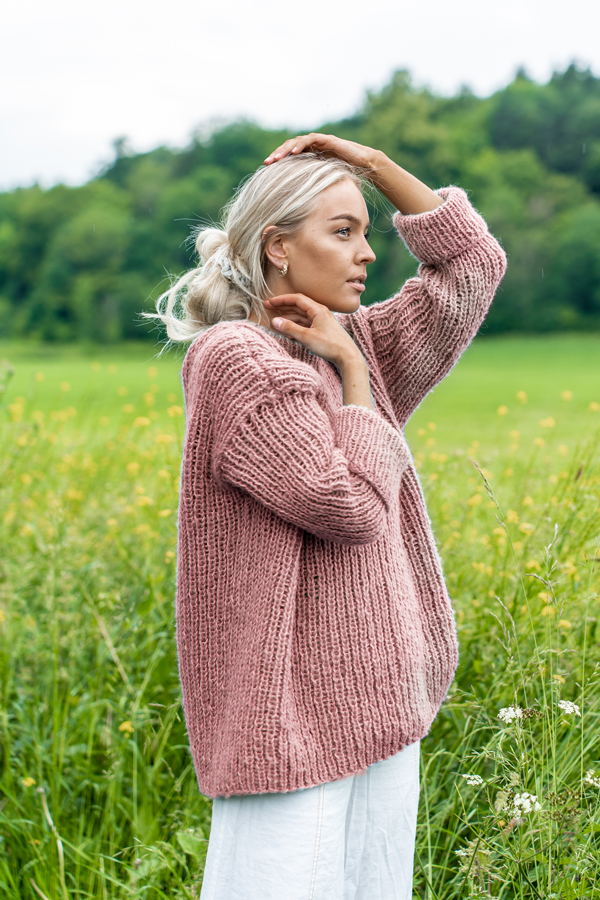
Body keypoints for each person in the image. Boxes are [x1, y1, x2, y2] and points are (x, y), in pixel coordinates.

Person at [153, 133, 507, 899]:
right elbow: (342, 504)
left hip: (383, 702)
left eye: (366, 231)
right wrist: (350, 374)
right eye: (341, 231)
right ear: (278, 248)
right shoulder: (236, 358)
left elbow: (473, 266)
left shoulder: (359, 344)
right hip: (290, 717)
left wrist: (370, 165)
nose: (366, 253)